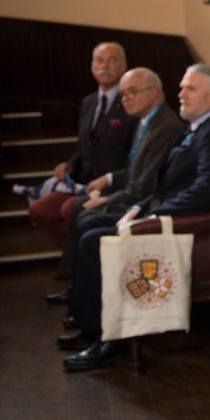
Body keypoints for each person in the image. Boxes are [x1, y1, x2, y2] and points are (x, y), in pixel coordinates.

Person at [59, 63, 210, 371]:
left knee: (95, 240)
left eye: (190, 88)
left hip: (197, 229)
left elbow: (205, 193)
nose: (180, 94)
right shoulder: (200, 125)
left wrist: (154, 215)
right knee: (90, 223)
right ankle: (90, 327)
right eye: (182, 87)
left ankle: (111, 341)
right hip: (173, 214)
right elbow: (172, 185)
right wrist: (140, 207)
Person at [53, 67, 184, 288]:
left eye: (132, 92)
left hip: (144, 203)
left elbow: (146, 185)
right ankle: (75, 282)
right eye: (123, 94)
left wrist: (106, 199)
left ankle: (83, 287)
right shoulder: (146, 120)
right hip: (134, 194)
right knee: (80, 208)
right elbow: (135, 171)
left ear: (152, 91)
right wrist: (109, 178)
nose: (125, 99)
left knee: (85, 214)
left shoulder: (165, 126)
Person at [33, 41, 136, 303]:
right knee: (40, 210)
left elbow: (136, 156)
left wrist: (112, 181)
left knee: (72, 210)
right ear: (92, 66)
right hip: (81, 181)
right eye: (99, 60)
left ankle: (81, 272)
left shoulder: (131, 103)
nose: (105, 66)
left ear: (124, 66)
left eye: (112, 60)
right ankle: (85, 257)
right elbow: (85, 146)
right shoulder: (88, 102)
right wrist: (69, 164)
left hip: (112, 186)